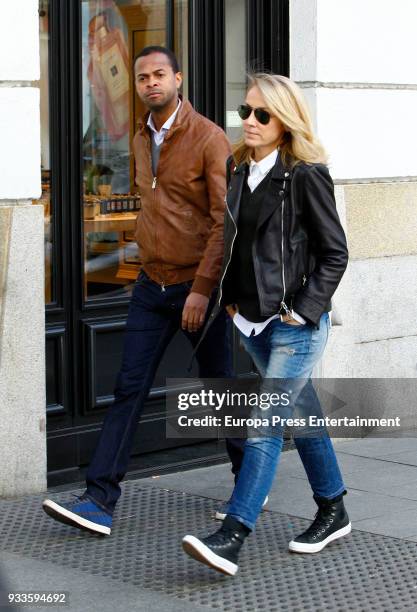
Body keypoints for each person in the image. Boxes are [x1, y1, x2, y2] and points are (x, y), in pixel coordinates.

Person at [42, 46, 245, 535]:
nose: (151, 83)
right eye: (142, 77)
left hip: (199, 289)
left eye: (160, 75)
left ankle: (247, 486)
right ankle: (99, 499)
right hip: (150, 287)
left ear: (178, 78)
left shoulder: (209, 138)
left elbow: (225, 222)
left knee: (220, 389)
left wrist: (202, 289)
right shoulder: (139, 136)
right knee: (128, 388)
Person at [182, 73, 350, 576]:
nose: (250, 122)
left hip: (294, 325)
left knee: (264, 425)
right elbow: (237, 245)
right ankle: (334, 508)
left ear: (286, 121)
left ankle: (233, 535)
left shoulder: (305, 175)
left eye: (263, 114)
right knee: (305, 417)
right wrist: (230, 302)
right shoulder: (239, 168)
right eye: (246, 111)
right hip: (251, 322)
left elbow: (334, 254)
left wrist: (303, 308)